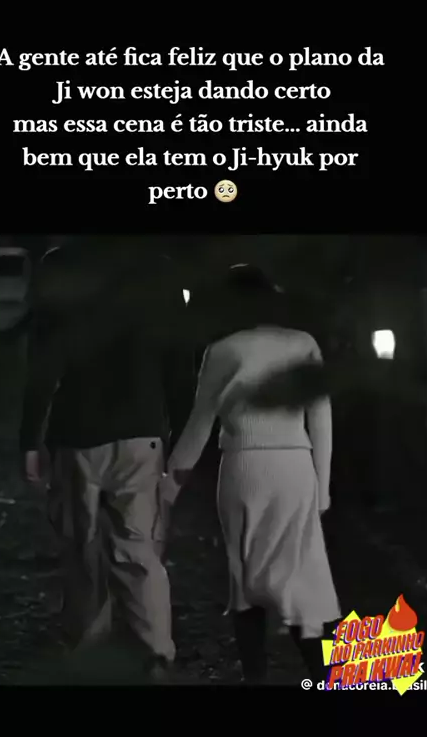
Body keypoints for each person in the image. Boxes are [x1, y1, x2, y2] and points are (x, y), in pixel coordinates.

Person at [20, 236, 194, 679]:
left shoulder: (61, 264)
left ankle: (89, 652)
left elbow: (43, 359)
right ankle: (155, 653)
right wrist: (182, 438)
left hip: (77, 433)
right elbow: (179, 362)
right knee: (137, 549)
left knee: (82, 548)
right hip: (141, 433)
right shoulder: (159, 267)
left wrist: (30, 437)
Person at [161, 265, 341, 684]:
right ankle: (324, 674)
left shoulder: (222, 350)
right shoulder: (303, 343)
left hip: (243, 467)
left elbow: (199, 424)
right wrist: (323, 487)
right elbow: (321, 418)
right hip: (295, 467)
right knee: (303, 578)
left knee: (244, 578)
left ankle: (255, 676)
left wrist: (168, 486)